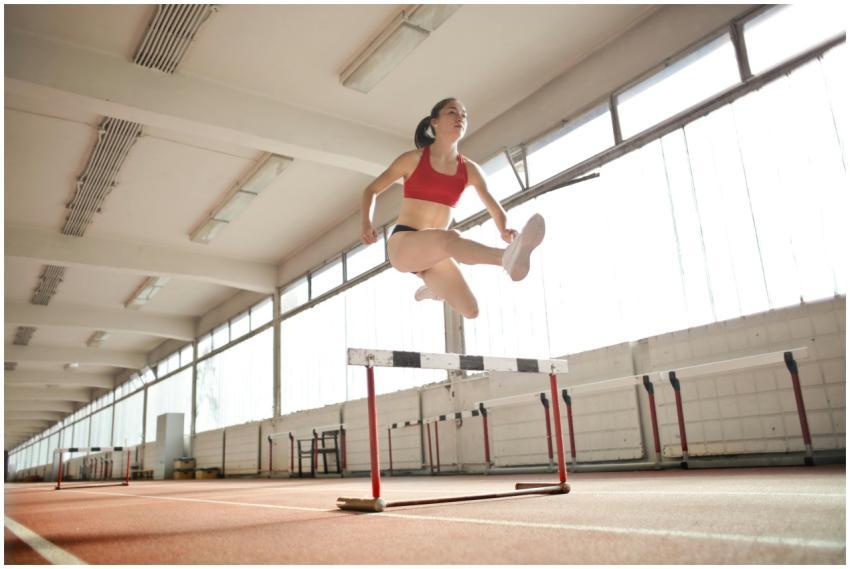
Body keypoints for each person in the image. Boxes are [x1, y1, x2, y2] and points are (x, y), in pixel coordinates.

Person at [360, 97, 545, 319]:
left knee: (471, 310)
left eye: (464, 115)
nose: (460, 118)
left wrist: (504, 229)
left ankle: (434, 288)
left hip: (435, 252)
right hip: (404, 243)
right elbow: (371, 190)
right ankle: (505, 257)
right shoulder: (413, 160)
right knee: (450, 238)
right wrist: (366, 224)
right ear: (434, 122)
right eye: (452, 112)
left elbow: (494, 208)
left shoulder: (470, 170)